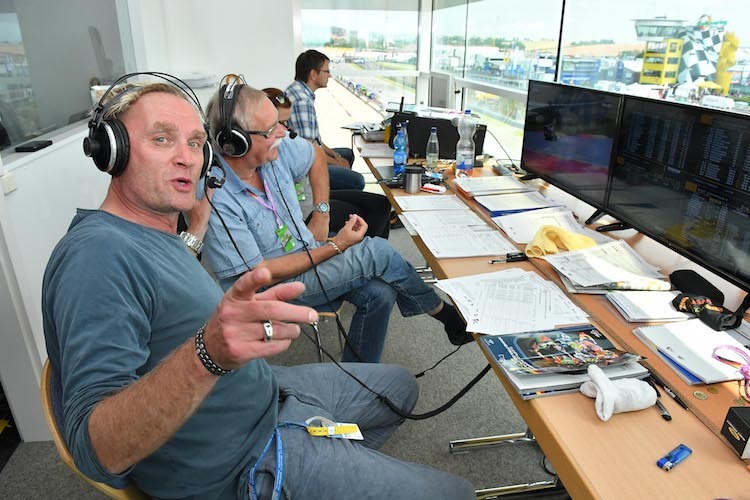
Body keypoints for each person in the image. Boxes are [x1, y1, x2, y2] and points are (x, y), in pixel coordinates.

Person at [41, 79, 474, 499]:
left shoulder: (156, 232)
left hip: (269, 392)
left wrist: (195, 232)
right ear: (111, 150)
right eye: (161, 139)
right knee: (457, 492)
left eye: (194, 143)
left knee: (400, 387)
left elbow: (162, 296)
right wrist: (206, 353)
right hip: (246, 460)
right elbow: (97, 451)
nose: (187, 159)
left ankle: (328, 465)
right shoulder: (96, 255)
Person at [202, 83, 473, 364]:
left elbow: (315, 154)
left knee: (380, 292)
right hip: (274, 289)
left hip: (307, 254)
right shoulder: (217, 197)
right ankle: (447, 316)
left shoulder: (272, 153)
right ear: (234, 142)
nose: (283, 133)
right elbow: (259, 273)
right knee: (377, 252)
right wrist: (336, 245)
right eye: (272, 130)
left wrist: (322, 211)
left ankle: (358, 381)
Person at [264, 87, 391, 239]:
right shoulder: (267, 153)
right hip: (305, 211)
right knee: (373, 209)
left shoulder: (285, 140)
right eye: (281, 123)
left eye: (286, 122)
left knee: (382, 203)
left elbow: (315, 151)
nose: (286, 129)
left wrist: (322, 210)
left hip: (310, 198)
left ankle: (374, 251)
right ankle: (369, 252)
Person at [286, 49, 365, 191]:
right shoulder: (302, 101)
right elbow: (309, 150)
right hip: (305, 168)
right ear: (313, 74)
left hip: (309, 153)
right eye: (326, 71)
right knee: (357, 181)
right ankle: (326, 200)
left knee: (346, 153)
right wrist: (336, 163)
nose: (330, 75)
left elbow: (314, 139)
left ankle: (333, 192)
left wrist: (335, 155)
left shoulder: (300, 92)